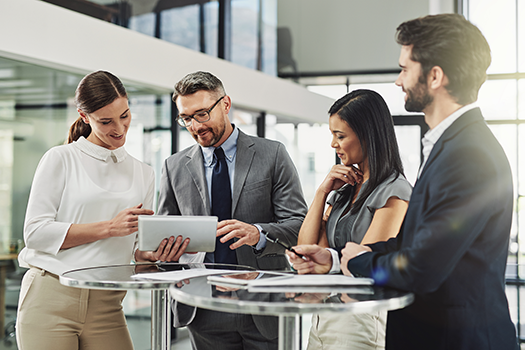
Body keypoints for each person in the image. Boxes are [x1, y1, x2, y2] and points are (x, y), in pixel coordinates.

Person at [288, 14, 519, 350]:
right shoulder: (452, 145)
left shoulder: (468, 154)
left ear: (435, 76)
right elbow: (415, 244)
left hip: (458, 339)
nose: (398, 81)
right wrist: (337, 259)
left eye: (405, 69)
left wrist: (357, 262)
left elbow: (420, 268)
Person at [157, 71, 308, 349]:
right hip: (203, 308)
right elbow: (165, 234)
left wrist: (258, 233)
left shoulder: (272, 154)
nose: (195, 126)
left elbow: (300, 227)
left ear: (225, 105)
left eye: (202, 114)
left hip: (263, 305)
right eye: (186, 118)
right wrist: (165, 251)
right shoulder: (173, 166)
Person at [15, 70, 164, 350]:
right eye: (105, 121)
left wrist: (151, 254)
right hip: (51, 298)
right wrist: (109, 227)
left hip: (108, 304)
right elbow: (35, 233)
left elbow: (135, 248)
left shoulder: (144, 173)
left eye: (125, 115)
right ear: (85, 117)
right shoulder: (60, 158)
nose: (119, 129)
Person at [297, 89, 412, 350]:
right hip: (323, 314)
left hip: (359, 319)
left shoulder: (395, 190)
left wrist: (325, 260)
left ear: (367, 136)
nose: (333, 144)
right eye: (332, 135)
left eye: (340, 136)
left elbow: (362, 262)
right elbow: (307, 246)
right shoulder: (346, 187)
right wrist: (322, 191)